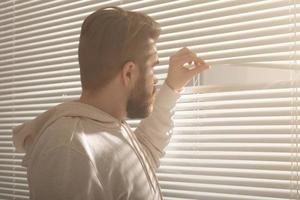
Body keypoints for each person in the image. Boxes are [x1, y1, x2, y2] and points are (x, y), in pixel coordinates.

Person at [12, 6, 209, 200]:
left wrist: (172, 87)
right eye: (152, 68)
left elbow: (142, 156)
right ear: (129, 73)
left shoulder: (107, 127)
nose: (155, 79)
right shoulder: (69, 150)